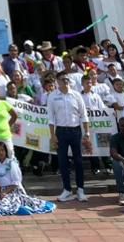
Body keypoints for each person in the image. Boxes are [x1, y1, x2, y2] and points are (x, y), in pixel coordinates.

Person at [48, 71, 88, 203]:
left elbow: (83, 114)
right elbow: (51, 117)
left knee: (78, 161)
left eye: (67, 79)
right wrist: (52, 135)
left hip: (75, 131)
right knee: (63, 161)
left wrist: (86, 132)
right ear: (57, 81)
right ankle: (67, 189)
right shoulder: (52, 96)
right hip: (60, 132)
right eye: (62, 79)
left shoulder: (76, 95)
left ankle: (80, 190)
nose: (65, 81)